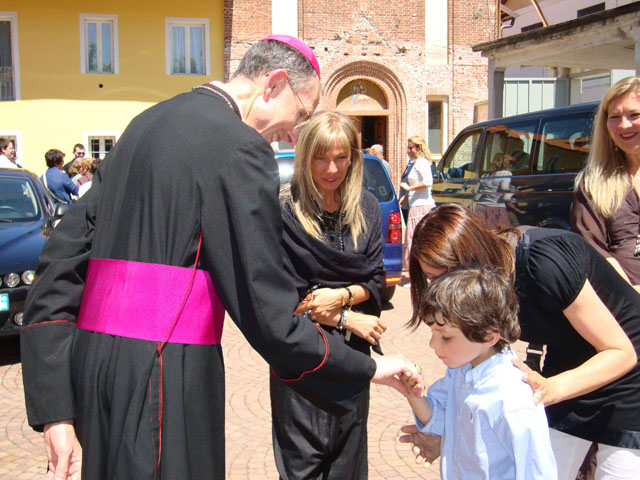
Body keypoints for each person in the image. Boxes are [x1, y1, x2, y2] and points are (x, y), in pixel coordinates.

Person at [21, 36, 415, 480]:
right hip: (166, 380)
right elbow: (268, 312)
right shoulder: (240, 147)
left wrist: (56, 409)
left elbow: (57, 267)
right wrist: (365, 366)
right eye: (301, 114)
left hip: (92, 372)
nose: (293, 133)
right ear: (275, 83)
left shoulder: (143, 124)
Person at [399, 204, 640, 479]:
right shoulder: (482, 295)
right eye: (431, 278)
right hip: (567, 370)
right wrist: (451, 439)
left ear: (471, 256)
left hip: (627, 375)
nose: (439, 289)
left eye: (443, 275)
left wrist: (552, 389)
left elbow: (621, 351)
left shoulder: (544, 263)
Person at [272, 111, 386, 479]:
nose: (331, 169)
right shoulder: (285, 208)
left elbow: (377, 279)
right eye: (321, 157)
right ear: (305, 156)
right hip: (301, 358)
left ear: (353, 157)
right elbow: (284, 294)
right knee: (303, 467)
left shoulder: (366, 206)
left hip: (352, 357)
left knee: (348, 465)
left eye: (341, 157)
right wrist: (347, 315)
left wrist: (338, 298)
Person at [402, 266, 557, 479]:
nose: (432, 344)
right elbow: (442, 419)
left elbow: (537, 472)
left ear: (487, 336)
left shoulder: (514, 400)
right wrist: (414, 394)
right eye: (433, 333)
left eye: (445, 337)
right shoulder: (460, 372)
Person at [571, 76, 640, 291]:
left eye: (634, 114)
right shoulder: (593, 183)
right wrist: (630, 293)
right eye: (615, 117)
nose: (624, 125)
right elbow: (593, 250)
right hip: (624, 303)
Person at [399, 136, 435, 282]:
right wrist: (406, 196)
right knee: (415, 240)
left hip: (422, 207)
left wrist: (409, 188)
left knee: (420, 240)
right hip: (415, 205)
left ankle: (426, 274)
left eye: (411, 148)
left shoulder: (421, 162)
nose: (408, 151)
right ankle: (420, 274)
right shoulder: (415, 163)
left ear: (419, 148)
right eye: (408, 148)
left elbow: (427, 182)